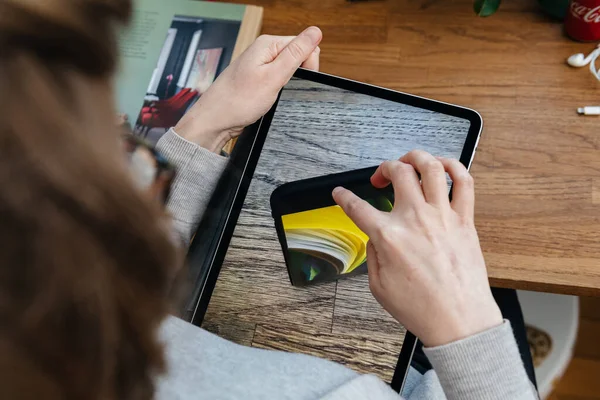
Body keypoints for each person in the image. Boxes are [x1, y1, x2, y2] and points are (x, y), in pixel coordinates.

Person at [0, 0, 538, 399]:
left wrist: (203, 129)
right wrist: (467, 324)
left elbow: (125, 280)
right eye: (122, 151)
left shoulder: (48, 312)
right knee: (497, 285)